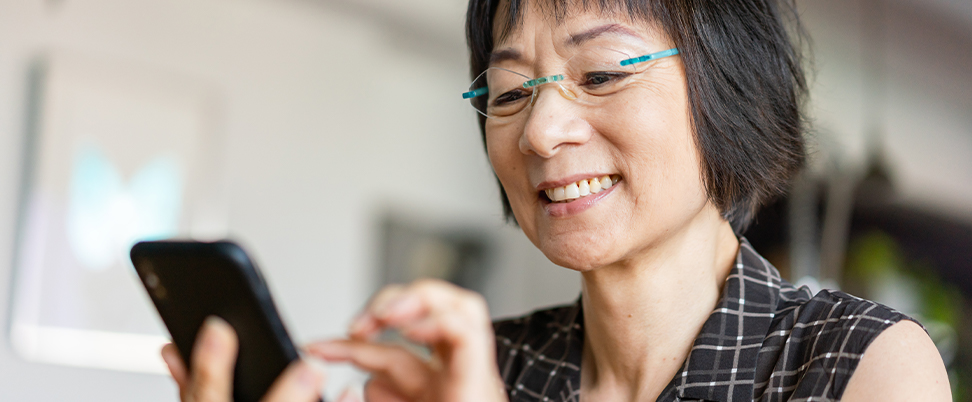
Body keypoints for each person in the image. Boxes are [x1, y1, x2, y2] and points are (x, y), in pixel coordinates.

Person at [159, 0, 953, 401]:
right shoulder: (478, 371)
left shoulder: (859, 364)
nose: (539, 131)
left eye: (602, 75)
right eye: (508, 92)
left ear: (729, 90)